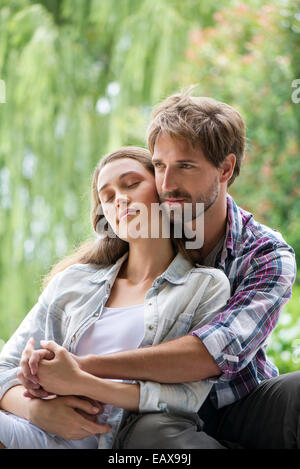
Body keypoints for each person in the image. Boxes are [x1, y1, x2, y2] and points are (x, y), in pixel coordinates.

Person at [19, 90, 298, 449]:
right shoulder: (145, 227)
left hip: (238, 400)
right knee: (154, 436)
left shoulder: (266, 254)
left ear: (225, 169)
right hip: (160, 411)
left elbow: (211, 352)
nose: (166, 185)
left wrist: (82, 367)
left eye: (185, 166)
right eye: (160, 166)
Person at [0, 146, 231, 449]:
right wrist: (37, 409)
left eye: (131, 184)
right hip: (31, 429)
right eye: (107, 197)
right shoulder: (74, 281)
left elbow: (185, 397)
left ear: (163, 191)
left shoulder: (204, 286)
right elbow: (5, 370)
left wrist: (80, 380)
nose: (119, 199)